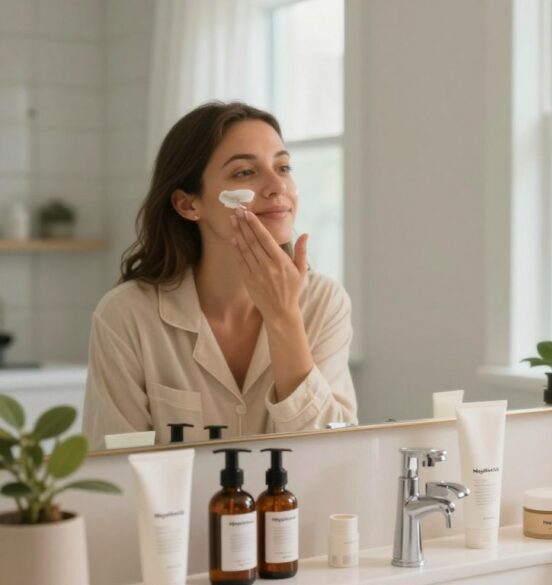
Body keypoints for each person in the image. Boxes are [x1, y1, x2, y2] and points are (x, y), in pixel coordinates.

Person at [83, 102, 356, 447]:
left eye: (283, 167)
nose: (277, 187)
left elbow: (336, 452)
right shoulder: (126, 316)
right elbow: (114, 472)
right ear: (188, 204)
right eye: (245, 172)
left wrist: (284, 316)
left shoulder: (324, 303)